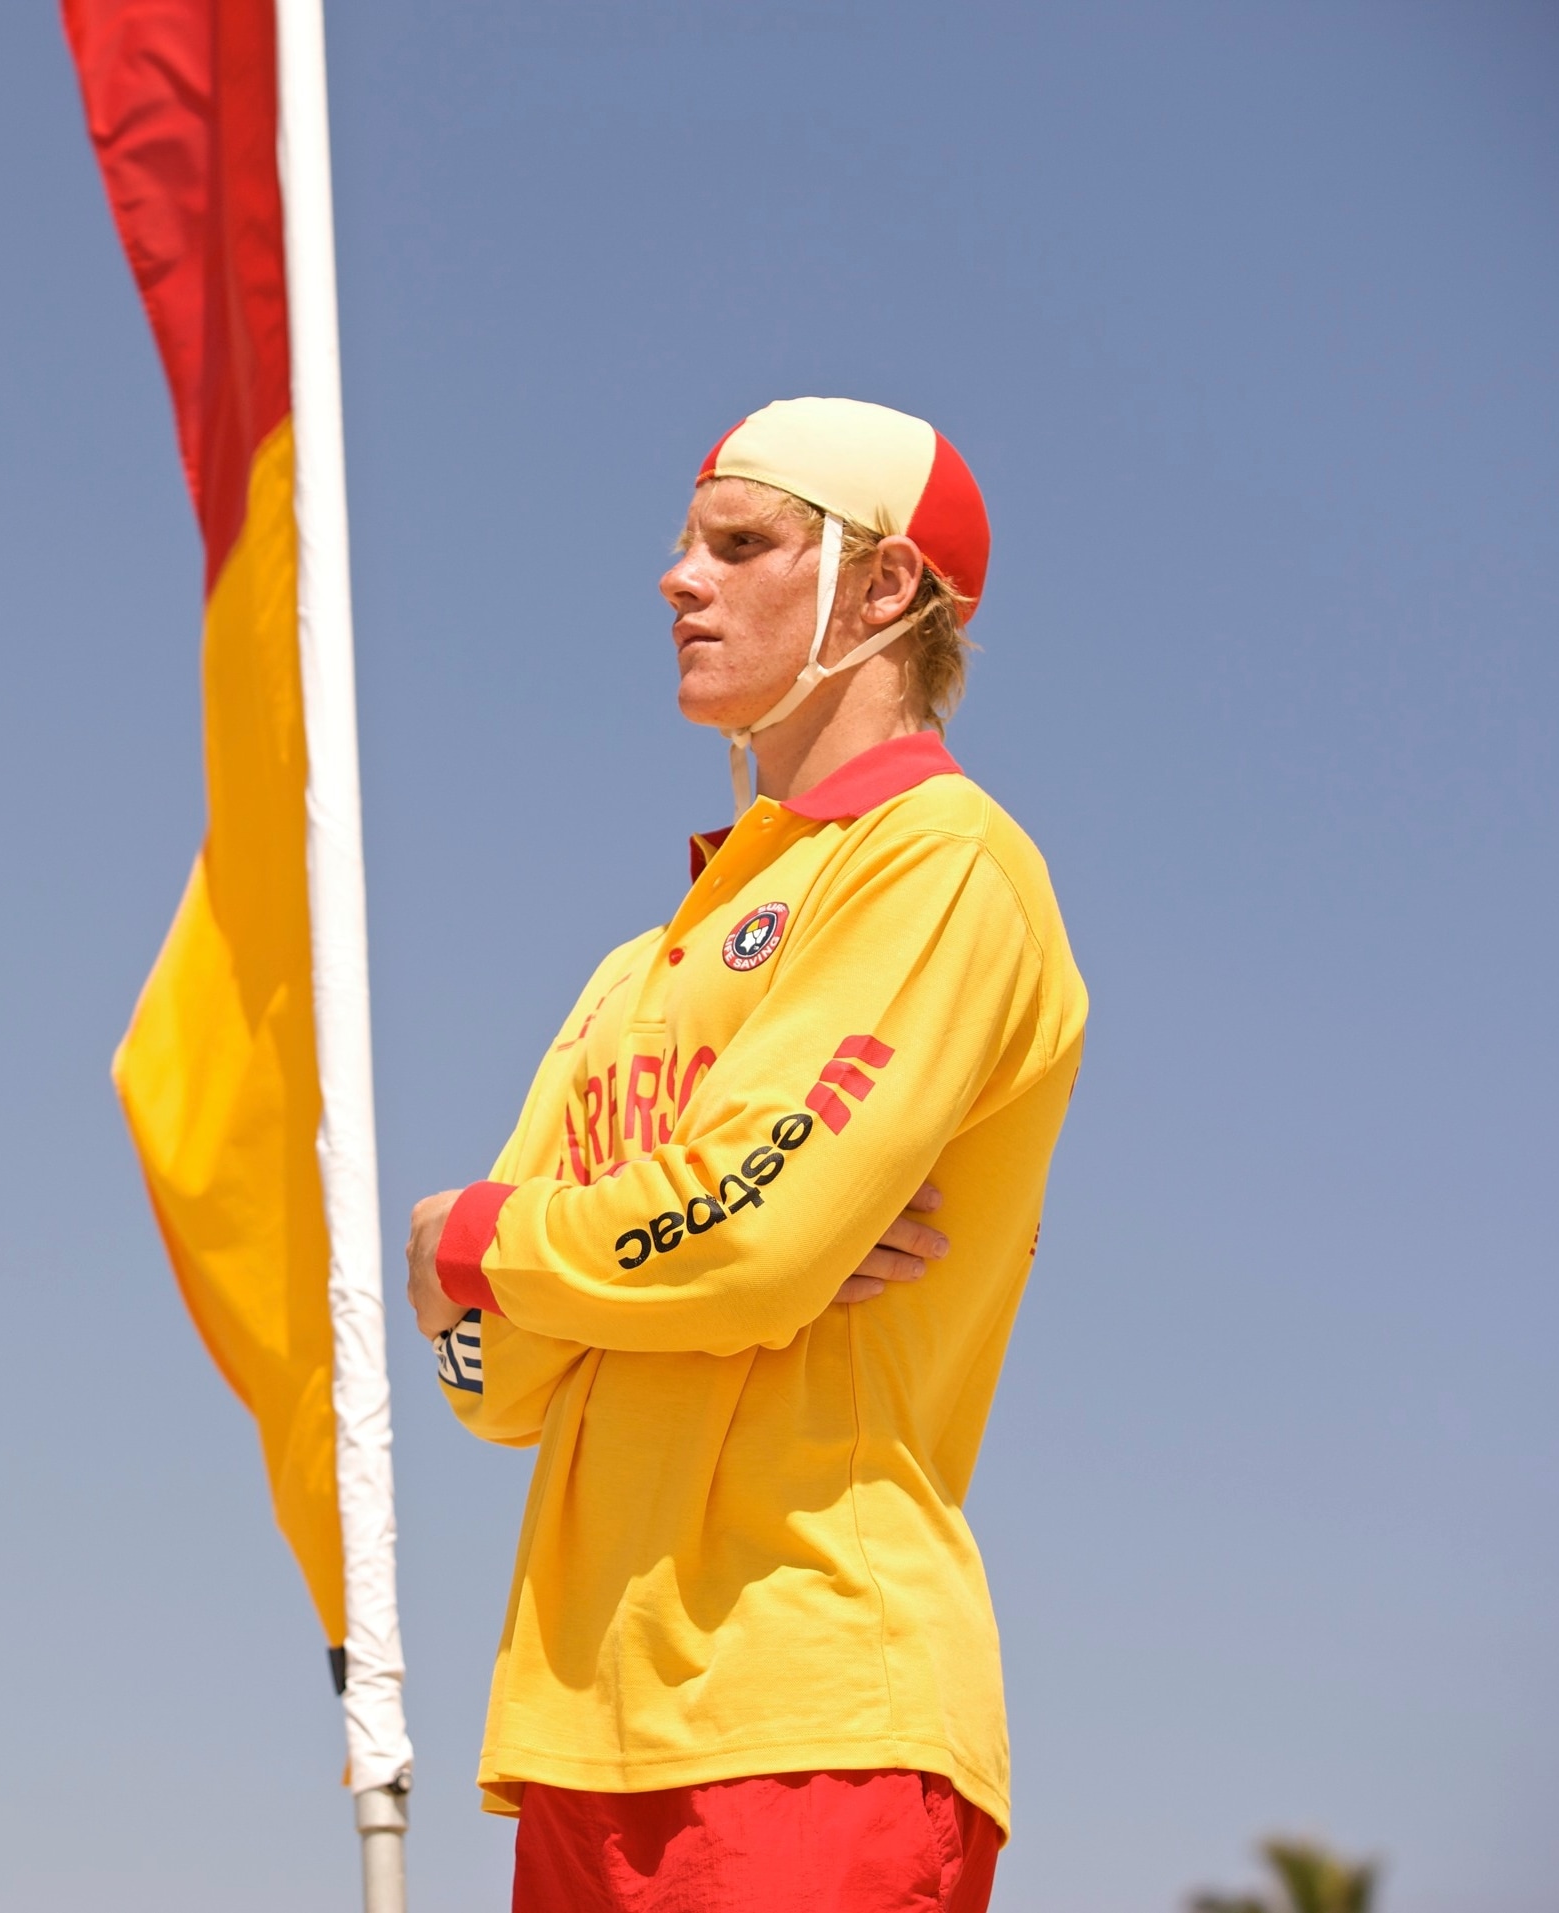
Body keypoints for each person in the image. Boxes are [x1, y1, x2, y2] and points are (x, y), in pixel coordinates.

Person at [406, 397, 1087, 1912]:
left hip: (814, 1714)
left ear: (884, 585)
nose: (678, 578)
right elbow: (492, 1386)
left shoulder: (942, 861)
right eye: (685, 545)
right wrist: (572, 1270)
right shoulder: (635, 969)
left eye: (739, 543)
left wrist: (466, 1241)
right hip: (577, 1736)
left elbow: (742, 1243)